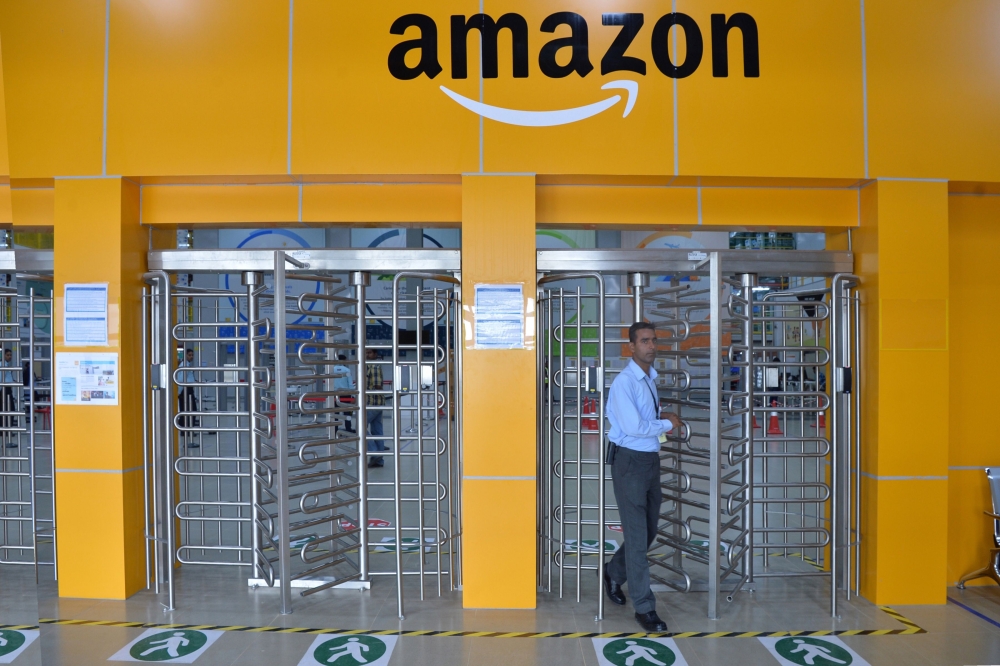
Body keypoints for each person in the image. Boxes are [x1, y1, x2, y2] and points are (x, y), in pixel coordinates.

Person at [604, 322, 682, 633]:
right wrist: (667, 424)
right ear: (631, 347)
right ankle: (645, 608)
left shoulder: (649, 378)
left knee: (648, 531)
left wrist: (661, 419)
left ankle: (613, 571)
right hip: (630, 463)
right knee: (637, 539)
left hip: (649, 461)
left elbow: (645, 418)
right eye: (645, 341)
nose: (651, 346)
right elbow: (634, 426)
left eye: (654, 340)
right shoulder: (625, 383)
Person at [365, 348, 387, 467]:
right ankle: (379, 460)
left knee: (360, 426)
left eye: (369, 353)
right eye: (366, 352)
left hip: (373, 403)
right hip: (377, 403)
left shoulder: (373, 366)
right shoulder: (370, 366)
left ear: (375, 354)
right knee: (377, 431)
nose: (367, 355)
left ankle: (375, 453)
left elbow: (378, 385)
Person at [177, 348, 200, 447]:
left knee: (188, 410)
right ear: (185, 355)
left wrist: (195, 381)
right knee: (190, 410)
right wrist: (179, 392)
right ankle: (186, 430)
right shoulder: (184, 365)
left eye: (192, 355)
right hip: (185, 390)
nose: (191, 357)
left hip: (188, 389)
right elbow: (181, 379)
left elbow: (188, 378)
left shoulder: (187, 365)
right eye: (189, 355)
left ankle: (187, 430)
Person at [333, 354, 356, 433]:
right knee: (347, 413)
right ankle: (348, 429)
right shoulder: (347, 370)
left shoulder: (331, 370)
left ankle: (335, 429)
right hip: (346, 394)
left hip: (334, 394)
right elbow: (350, 384)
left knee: (335, 413)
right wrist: (353, 395)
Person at [1, 349, 17, 447]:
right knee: (10, 410)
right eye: (7, 355)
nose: (9, 356)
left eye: (10, 355)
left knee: (8, 410)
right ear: (3, 355)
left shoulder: (6, 365)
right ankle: (6, 431)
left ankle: (7, 430)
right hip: (4, 390)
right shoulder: (3, 365)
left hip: (7, 389)